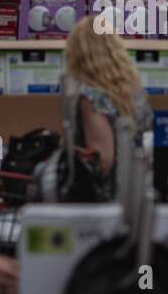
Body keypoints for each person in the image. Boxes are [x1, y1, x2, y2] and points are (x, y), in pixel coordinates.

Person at [64, 15, 155, 180]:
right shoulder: (132, 91)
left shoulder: (91, 98)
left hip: (108, 197)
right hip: (137, 187)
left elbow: (103, 160)